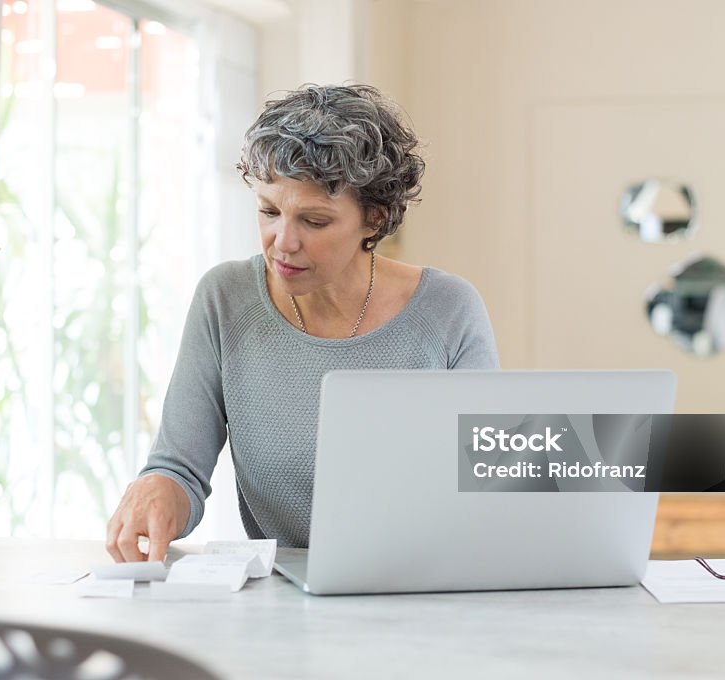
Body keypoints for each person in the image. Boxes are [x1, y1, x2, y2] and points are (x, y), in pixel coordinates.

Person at [106, 84, 499, 563]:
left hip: (425, 588)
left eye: (314, 221)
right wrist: (158, 488)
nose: (283, 242)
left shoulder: (448, 310)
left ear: (373, 220)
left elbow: (486, 479)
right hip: (284, 601)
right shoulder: (225, 299)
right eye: (269, 211)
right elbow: (180, 469)